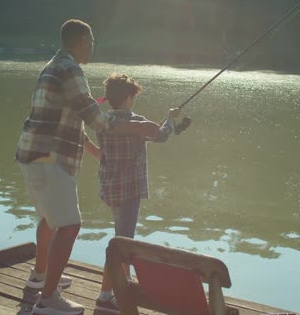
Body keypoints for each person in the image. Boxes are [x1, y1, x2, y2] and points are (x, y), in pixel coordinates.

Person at [15, 20, 161, 315]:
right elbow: (95, 117)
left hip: (31, 155)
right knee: (69, 226)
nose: (93, 47)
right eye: (91, 41)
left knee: (50, 219)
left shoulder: (51, 67)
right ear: (82, 40)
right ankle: (47, 300)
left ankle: (40, 277)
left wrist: (98, 153)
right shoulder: (71, 69)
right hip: (51, 158)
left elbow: (75, 123)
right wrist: (138, 127)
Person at [94, 73, 182, 314]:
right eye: (134, 96)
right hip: (129, 191)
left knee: (122, 239)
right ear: (129, 98)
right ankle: (105, 297)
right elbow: (161, 136)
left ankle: (122, 286)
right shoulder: (136, 122)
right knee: (122, 243)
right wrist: (169, 118)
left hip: (111, 189)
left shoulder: (102, 121)